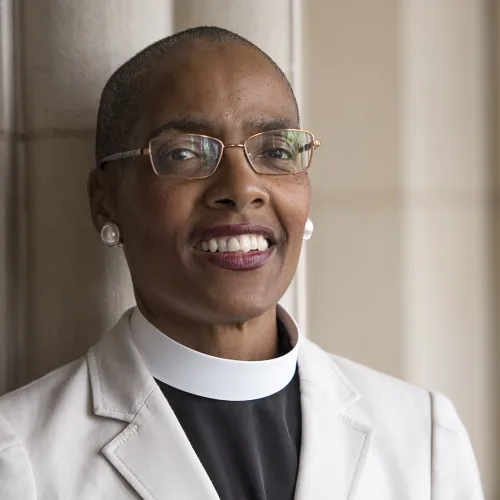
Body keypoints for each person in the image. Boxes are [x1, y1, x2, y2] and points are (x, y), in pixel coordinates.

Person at [0, 26, 484, 500]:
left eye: (275, 150)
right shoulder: (22, 456)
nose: (242, 188)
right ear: (106, 202)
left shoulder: (424, 439)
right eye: (184, 152)